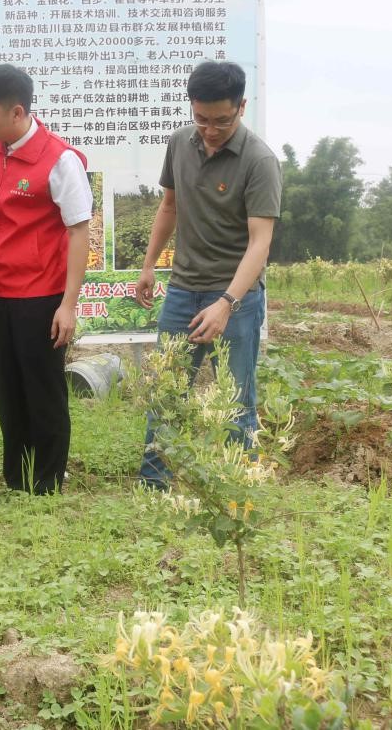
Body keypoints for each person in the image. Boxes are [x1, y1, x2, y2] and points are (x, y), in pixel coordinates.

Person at [134, 60, 282, 489]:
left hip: (236, 296)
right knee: (166, 390)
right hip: (182, 290)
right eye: (201, 119)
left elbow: (260, 243)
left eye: (222, 120)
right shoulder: (181, 143)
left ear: (242, 107)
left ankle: (238, 487)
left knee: (235, 397)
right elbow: (169, 206)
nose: (210, 130)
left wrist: (227, 303)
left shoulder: (260, 161)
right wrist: (149, 265)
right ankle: (155, 484)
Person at [0, 64, 91, 495]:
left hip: (41, 296)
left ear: (17, 112)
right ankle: (17, 478)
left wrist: (68, 304)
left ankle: (47, 482)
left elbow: (79, 230)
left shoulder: (59, 161)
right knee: (7, 388)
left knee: (43, 391)